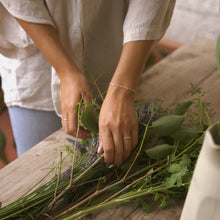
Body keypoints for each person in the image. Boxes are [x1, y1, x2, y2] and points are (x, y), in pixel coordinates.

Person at [0, 0, 176, 165]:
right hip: (38, 54)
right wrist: (66, 71)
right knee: (33, 172)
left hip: (115, 43)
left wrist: (122, 91)